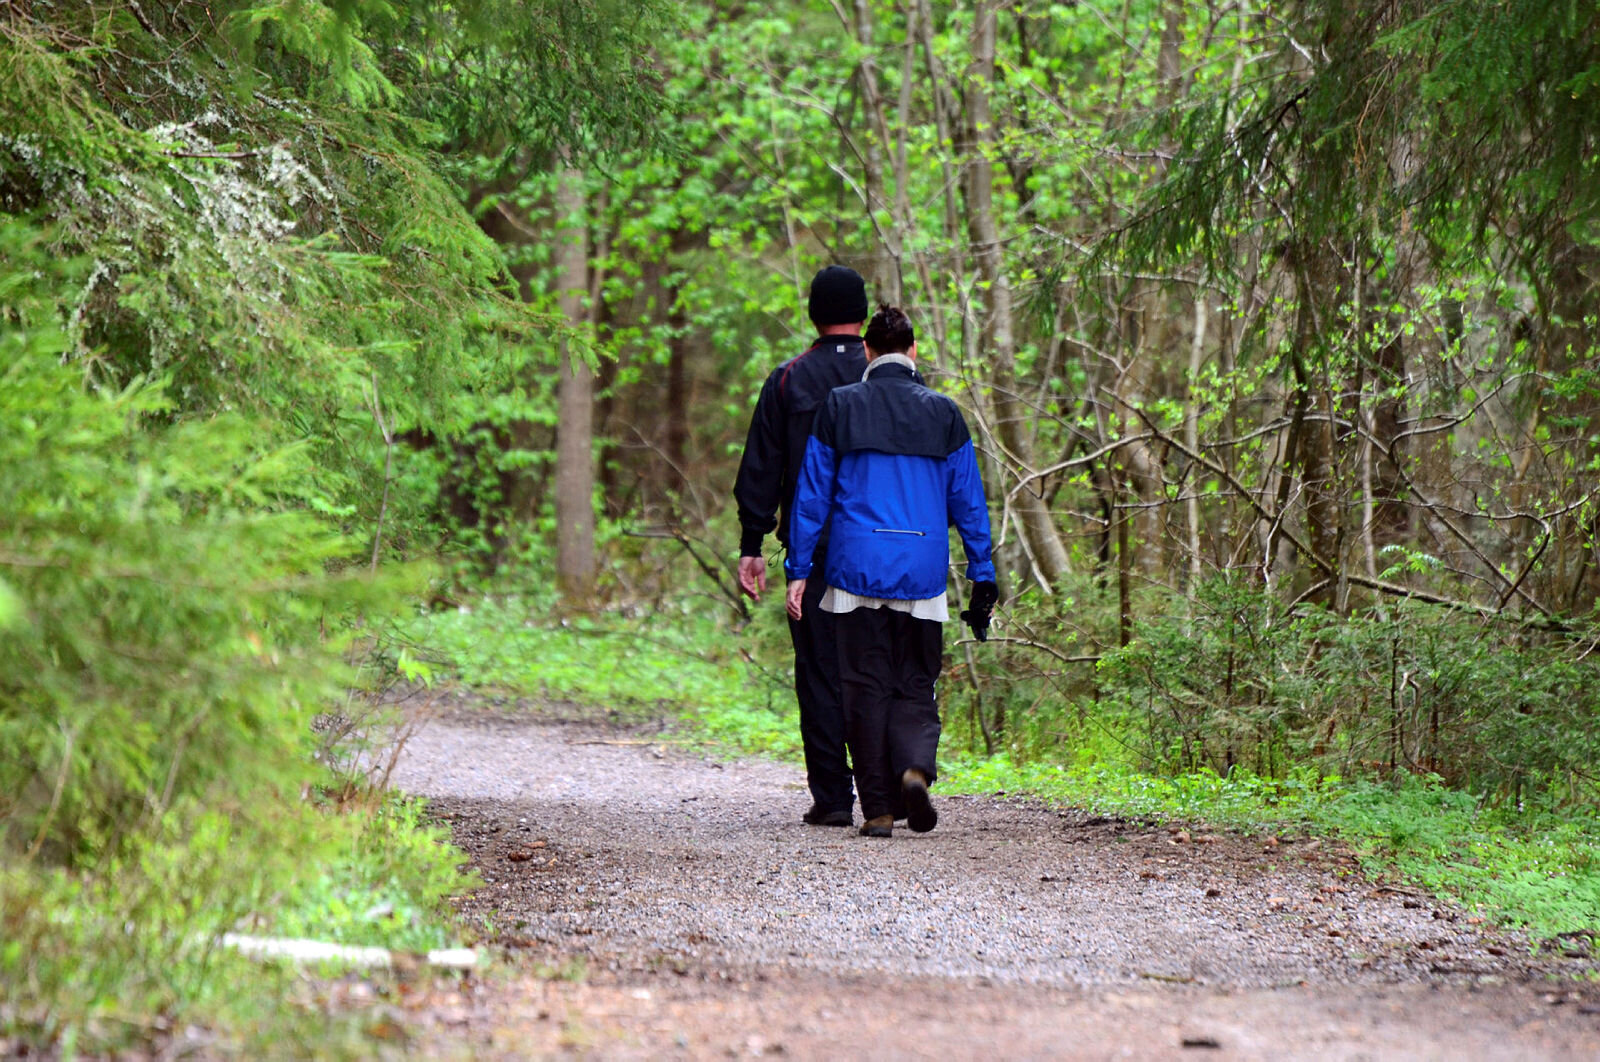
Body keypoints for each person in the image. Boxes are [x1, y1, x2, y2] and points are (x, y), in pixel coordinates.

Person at [783, 305, 998, 838]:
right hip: (921, 571)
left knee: (863, 687)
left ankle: (878, 809)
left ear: (868, 351)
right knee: (915, 683)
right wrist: (982, 570)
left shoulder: (840, 406)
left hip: (855, 570)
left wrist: (798, 567)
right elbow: (968, 501)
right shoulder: (944, 413)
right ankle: (915, 768)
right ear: (913, 351)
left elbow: (812, 495)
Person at [733, 266, 871, 827]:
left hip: (810, 552)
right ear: (863, 314)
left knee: (818, 669)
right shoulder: (887, 376)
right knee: (876, 668)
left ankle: (833, 798)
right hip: (883, 550)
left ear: (813, 315)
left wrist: (752, 541)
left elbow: (761, 466)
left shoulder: (788, 379)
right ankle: (882, 792)